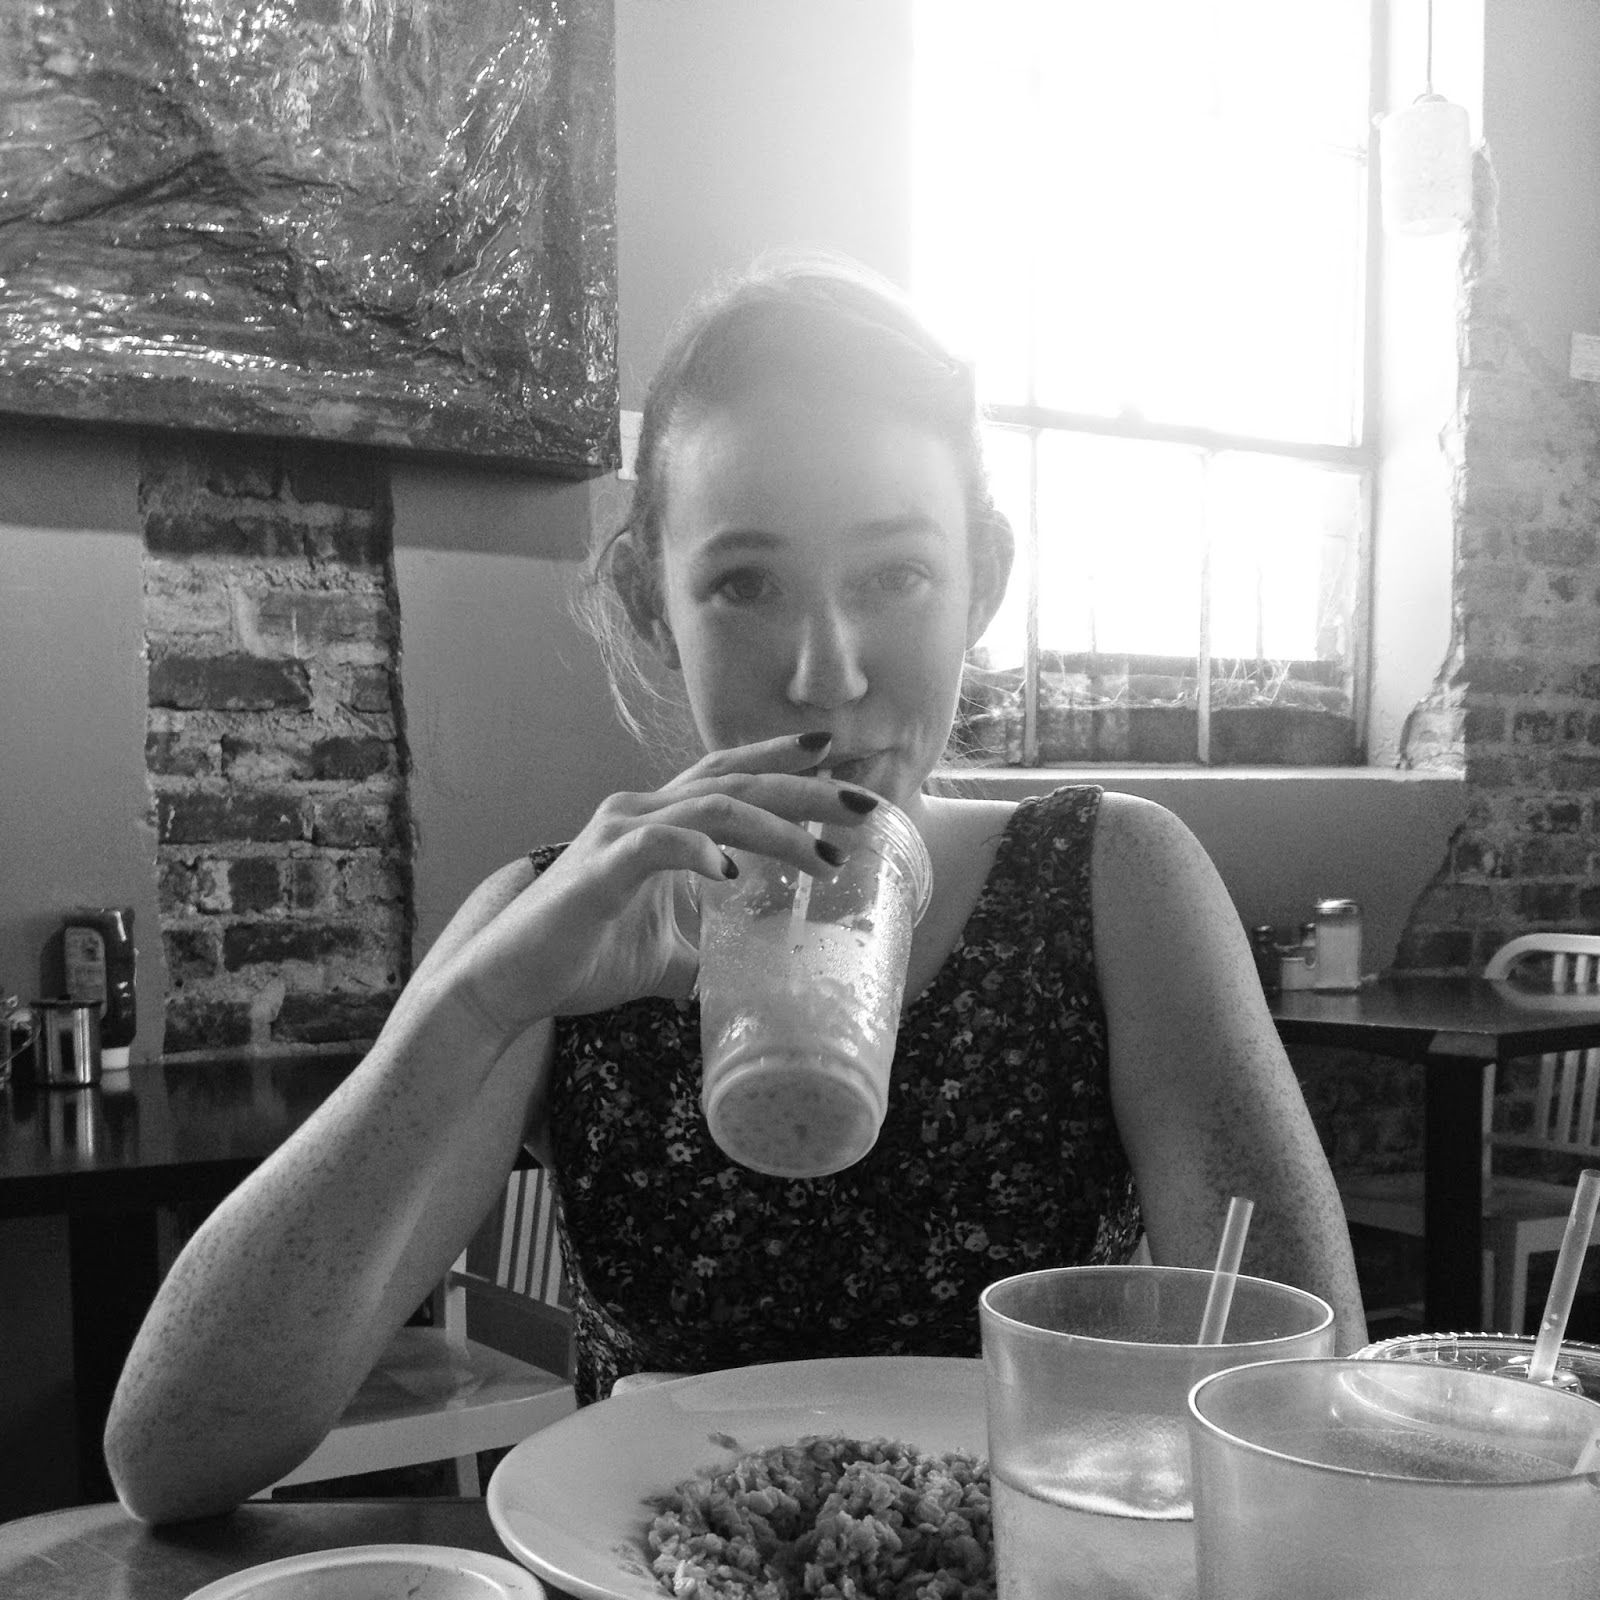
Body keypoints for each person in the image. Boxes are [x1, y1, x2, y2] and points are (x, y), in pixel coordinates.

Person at [104, 253, 1366, 1524]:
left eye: (895, 575)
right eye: (744, 584)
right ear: (652, 603)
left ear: (980, 579)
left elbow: (1308, 1424)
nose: (826, 673)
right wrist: (475, 1007)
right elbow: (168, 1453)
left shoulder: (1110, 883)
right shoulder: (561, 925)